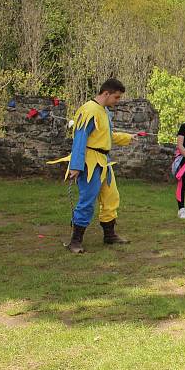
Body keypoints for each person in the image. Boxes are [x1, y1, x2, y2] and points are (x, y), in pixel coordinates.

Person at [50, 78, 137, 253]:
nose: (117, 101)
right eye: (116, 97)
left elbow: (107, 137)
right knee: (87, 199)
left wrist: (128, 138)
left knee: (111, 197)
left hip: (104, 161)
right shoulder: (89, 110)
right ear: (106, 93)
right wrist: (76, 166)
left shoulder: (104, 112)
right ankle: (75, 241)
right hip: (89, 162)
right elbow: (80, 138)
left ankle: (109, 235)